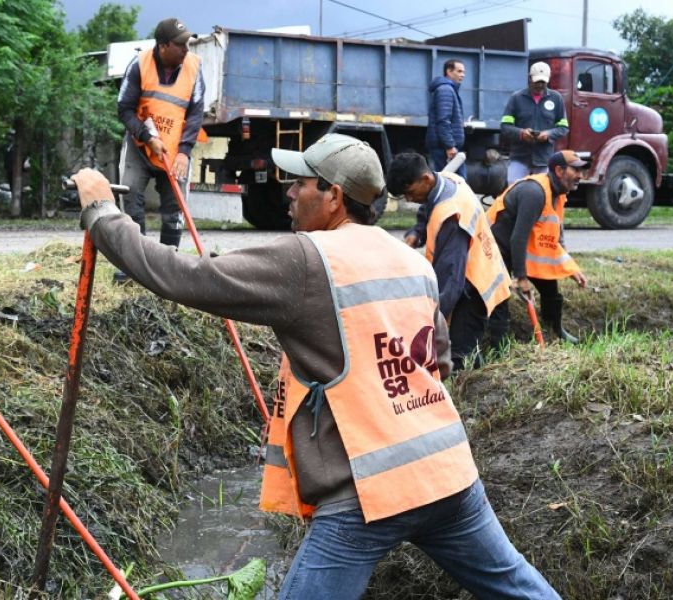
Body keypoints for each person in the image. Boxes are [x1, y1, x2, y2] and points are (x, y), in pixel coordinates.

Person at [71, 133, 560, 600]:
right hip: (448, 472)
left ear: (334, 196)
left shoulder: (307, 259)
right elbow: (440, 363)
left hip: (368, 494)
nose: (290, 191)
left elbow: (182, 275)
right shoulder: (409, 260)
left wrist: (103, 213)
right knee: (516, 586)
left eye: (302, 182)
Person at [387, 152, 511, 371]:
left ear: (425, 179)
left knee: (460, 356)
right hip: (476, 270)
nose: (409, 200)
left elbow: (450, 282)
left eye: (409, 193)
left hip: (475, 286)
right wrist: (417, 232)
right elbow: (428, 206)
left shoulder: (451, 217)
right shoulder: (448, 179)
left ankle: (472, 393)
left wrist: (428, 323)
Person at [114, 16, 205, 282]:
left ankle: (168, 269)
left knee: (174, 210)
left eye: (187, 44)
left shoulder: (194, 67)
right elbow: (125, 109)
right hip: (141, 147)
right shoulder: (139, 65)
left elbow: (196, 113)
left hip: (175, 152)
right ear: (163, 46)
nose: (186, 50)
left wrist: (184, 152)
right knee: (130, 199)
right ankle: (136, 267)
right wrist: (145, 136)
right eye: (180, 45)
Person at [487, 150, 589, 346]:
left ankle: (555, 331)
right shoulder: (534, 192)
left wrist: (571, 269)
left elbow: (553, 240)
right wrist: (521, 277)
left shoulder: (558, 195)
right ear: (559, 170)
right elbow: (518, 237)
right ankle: (496, 346)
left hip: (517, 248)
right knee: (500, 298)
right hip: (496, 248)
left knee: (551, 291)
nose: (580, 176)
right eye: (576, 170)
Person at [500, 61, 569, 184]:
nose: (540, 85)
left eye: (543, 82)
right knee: (514, 190)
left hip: (544, 159)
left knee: (542, 194)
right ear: (529, 78)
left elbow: (563, 127)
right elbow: (505, 127)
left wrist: (548, 134)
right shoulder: (516, 98)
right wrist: (521, 133)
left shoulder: (556, 98)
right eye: (537, 81)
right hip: (520, 158)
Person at [425, 59, 467, 179]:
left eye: (463, 72)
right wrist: (449, 146)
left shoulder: (448, 89)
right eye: (459, 71)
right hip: (444, 148)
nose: (462, 75)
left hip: (445, 147)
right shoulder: (445, 90)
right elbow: (443, 120)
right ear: (449, 71)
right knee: (456, 183)